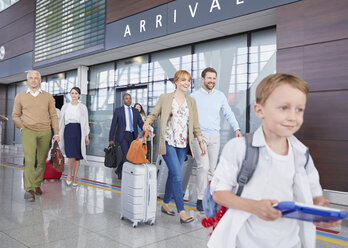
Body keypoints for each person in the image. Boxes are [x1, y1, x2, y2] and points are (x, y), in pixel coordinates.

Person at [207, 73, 341, 248]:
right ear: (259, 110)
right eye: (284, 108)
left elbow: (315, 195)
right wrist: (255, 206)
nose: (293, 116)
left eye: (299, 109)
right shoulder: (239, 148)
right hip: (245, 241)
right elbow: (218, 192)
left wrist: (319, 214)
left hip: (290, 242)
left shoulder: (302, 154)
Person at [143, 70, 206, 224]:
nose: (186, 83)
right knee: (177, 175)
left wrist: (200, 141)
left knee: (173, 174)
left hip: (183, 143)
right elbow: (154, 113)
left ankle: (165, 204)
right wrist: (147, 121)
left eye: (189, 81)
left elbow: (195, 124)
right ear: (176, 81)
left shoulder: (191, 101)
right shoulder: (165, 98)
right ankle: (182, 211)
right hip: (168, 142)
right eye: (183, 80)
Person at [191, 67, 242, 212]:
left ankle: (209, 195)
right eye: (209, 78)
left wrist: (236, 128)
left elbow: (228, 113)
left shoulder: (220, 96)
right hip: (199, 136)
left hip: (215, 136)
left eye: (214, 78)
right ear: (203, 79)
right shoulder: (194, 96)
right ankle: (200, 198)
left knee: (212, 170)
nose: (212, 81)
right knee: (203, 167)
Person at [12, 70, 59, 202]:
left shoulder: (48, 97)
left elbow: (54, 116)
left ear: (40, 80)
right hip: (28, 131)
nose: (33, 80)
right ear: (28, 80)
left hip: (45, 131)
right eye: (31, 78)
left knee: (42, 160)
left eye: (36, 78)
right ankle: (29, 189)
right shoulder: (20, 96)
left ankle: (37, 185)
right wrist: (21, 127)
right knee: (29, 160)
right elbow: (15, 115)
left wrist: (56, 133)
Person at [59, 87, 90, 187]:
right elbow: (61, 121)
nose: (74, 95)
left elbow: (86, 123)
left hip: (79, 130)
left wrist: (87, 136)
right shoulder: (65, 106)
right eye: (72, 93)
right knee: (70, 154)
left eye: (76, 93)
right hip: (68, 130)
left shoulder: (83, 107)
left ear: (79, 95)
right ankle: (69, 175)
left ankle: (75, 177)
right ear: (70, 94)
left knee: (77, 156)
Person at [109, 93, 144, 179]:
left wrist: (146, 128)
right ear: (123, 100)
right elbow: (113, 125)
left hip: (133, 135)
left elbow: (140, 123)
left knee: (130, 155)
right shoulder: (118, 111)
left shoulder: (135, 111)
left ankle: (119, 169)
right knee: (127, 154)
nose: (128, 100)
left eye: (130, 98)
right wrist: (111, 138)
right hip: (123, 135)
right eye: (126, 98)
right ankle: (122, 171)